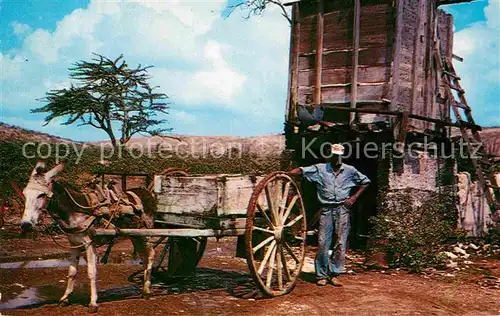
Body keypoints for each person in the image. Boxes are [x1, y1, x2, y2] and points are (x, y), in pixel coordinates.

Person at [289, 143, 370, 286]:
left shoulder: (350, 171)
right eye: (334, 155)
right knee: (322, 242)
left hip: (342, 209)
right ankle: (321, 275)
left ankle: (335, 273)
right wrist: (284, 174)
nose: (337, 158)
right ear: (330, 155)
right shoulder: (320, 169)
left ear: (342, 156)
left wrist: (353, 198)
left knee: (340, 242)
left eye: (339, 156)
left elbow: (365, 182)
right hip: (326, 209)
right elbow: (301, 171)